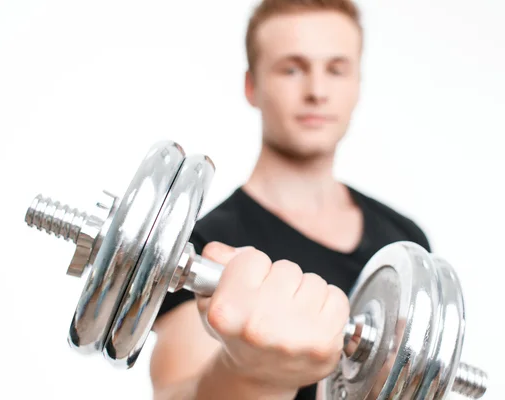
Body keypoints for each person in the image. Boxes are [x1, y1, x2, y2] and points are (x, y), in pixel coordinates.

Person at [149, 1, 431, 399]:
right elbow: (177, 390)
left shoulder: (404, 245)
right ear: (252, 86)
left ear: (357, 84)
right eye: (292, 69)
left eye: (336, 69)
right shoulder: (203, 244)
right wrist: (251, 375)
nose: (317, 91)